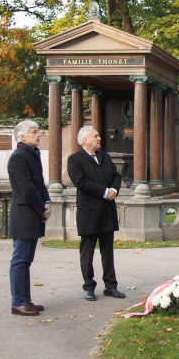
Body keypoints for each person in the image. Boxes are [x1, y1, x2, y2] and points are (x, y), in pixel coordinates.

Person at [67, 126, 126, 301]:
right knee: (87, 251)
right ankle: (89, 287)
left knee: (108, 250)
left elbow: (117, 175)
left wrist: (114, 189)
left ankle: (110, 286)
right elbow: (81, 182)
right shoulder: (75, 159)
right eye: (96, 136)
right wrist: (104, 191)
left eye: (99, 135)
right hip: (89, 212)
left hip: (107, 210)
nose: (99, 138)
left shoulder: (105, 157)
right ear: (85, 140)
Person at [7, 120, 51, 316]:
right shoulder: (18, 157)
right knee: (20, 259)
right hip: (24, 213)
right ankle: (18, 302)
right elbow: (27, 188)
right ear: (22, 137)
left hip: (32, 212)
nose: (38, 135)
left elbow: (40, 184)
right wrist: (42, 208)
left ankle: (26, 300)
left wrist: (47, 202)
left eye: (38, 132)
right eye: (34, 132)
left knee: (26, 260)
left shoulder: (33, 154)